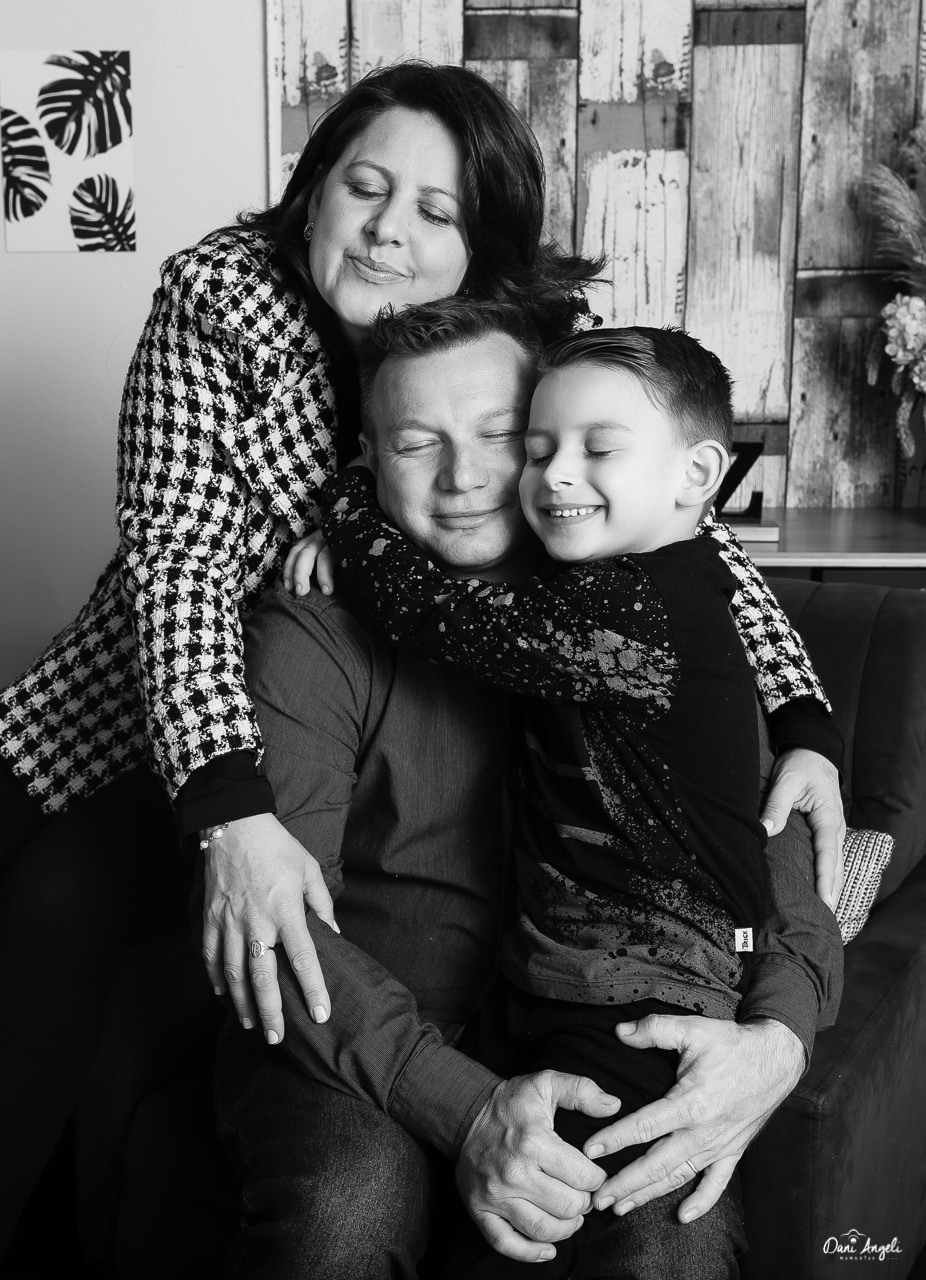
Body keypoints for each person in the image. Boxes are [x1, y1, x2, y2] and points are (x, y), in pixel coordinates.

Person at [0, 61, 605, 1260]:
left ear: (479, 248)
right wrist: (230, 809)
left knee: (80, 930)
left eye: (434, 211)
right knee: (45, 901)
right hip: (146, 708)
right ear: (313, 188)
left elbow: (662, 509)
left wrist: (794, 708)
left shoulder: (523, 350)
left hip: (310, 735)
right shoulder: (221, 300)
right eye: (364, 187)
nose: (386, 231)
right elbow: (176, 558)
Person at [215, 300, 843, 1280]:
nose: (464, 477)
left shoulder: (629, 595)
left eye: (501, 436)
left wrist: (777, 1035)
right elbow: (277, 928)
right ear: (366, 460)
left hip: (601, 1009)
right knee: (348, 1206)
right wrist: (465, 1106)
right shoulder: (315, 629)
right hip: (375, 1035)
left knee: (665, 1229)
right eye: (416, 443)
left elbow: (756, 842)